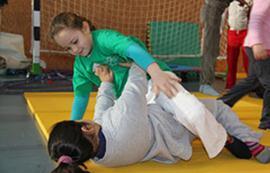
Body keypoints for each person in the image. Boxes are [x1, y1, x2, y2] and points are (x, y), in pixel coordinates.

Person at [49, 12, 231, 158]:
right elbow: (80, 97)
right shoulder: (81, 65)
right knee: (168, 129)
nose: (75, 50)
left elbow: (132, 49)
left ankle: (224, 139)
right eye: (68, 48)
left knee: (195, 113)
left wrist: (156, 73)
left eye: (75, 42)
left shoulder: (103, 39)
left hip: (155, 82)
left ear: (85, 28)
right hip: (134, 101)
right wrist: (71, 127)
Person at [48, 64, 270, 173]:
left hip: (163, 144)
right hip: (172, 121)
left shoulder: (98, 157)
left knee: (204, 111)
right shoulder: (122, 120)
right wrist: (135, 57)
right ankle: (245, 141)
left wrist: (106, 83)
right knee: (217, 110)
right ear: (85, 127)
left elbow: (101, 113)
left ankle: (218, 132)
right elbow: (137, 80)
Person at [218, 0, 270, 130]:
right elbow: (255, 20)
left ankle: (220, 104)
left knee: (253, 81)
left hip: (263, 46)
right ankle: (267, 121)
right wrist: (257, 43)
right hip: (258, 46)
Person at [199, 0, 249, 96]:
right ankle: (205, 84)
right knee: (210, 48)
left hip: (215, 12)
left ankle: (205, 83)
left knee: (212, 48)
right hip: (212, 11)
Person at [222, 0, 252, 91]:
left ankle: (251, 85)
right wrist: (220, 29)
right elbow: (223, 14)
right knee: (231, 60)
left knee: (247, 60)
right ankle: (230, 85)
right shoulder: (229, 2)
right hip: (232, 32)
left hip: (246, 32)